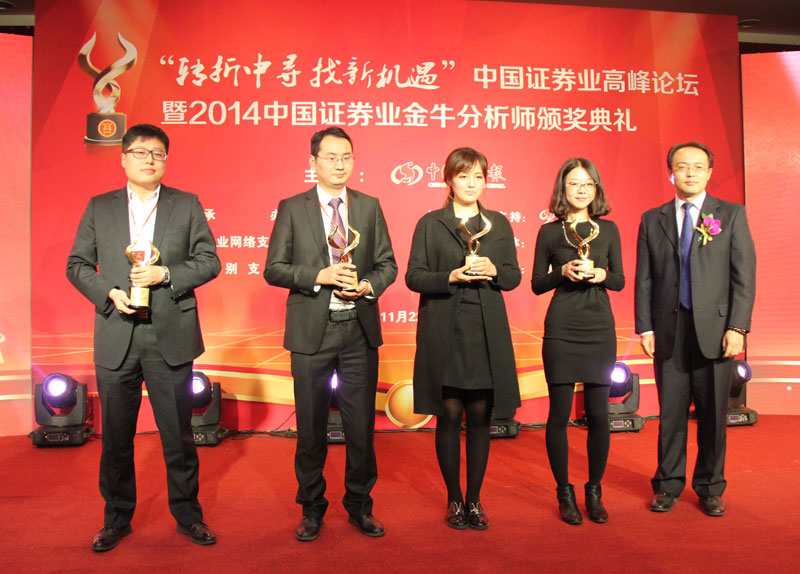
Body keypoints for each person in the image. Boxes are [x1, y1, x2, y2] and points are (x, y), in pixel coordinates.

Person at [66, 124, 220, 552]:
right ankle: (116, 520)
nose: (149, 159)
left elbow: (209, 261)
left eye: (157, 153)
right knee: (116, 438)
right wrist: (110, 293)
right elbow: (77, 264)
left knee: (178, 436)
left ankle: (188, 516)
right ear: (123, 159)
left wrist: (165, 274)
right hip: (118, 333)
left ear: (165, 160)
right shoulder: (100, 207)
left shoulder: (186, 204)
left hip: (170, 333)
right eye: (139, 152)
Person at [264, 127, 397, 542]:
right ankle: (311, 508)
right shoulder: (292, 207)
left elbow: (388, 264)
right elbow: (274, 268)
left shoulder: (369, 206)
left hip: (358, 329)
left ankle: (360, 506)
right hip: (311, 333)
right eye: (331, 157)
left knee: (361, 429)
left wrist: (368, 285)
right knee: (310, 426)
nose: (340, 165)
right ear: (313, 162)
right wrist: (318, 276)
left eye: (346, 157)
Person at [635, 142, 756, 517]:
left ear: (709, 172)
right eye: (682, 166)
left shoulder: (731, 215)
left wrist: (737, 327)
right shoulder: (652, 219)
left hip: (716, 330)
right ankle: (668, 485)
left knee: (713, 415)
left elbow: (744, 278)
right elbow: (645, 279)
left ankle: (710, 487)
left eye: (698, 166)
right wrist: (645, 327)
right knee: (670, 414)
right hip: (668, 329)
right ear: (670, 172)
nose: (690, 172)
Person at [406, 147, 521, 531]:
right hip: (445, 330)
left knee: (480, 417)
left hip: (486, 330)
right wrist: (450, 276)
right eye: (463, 176)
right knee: (450, 416)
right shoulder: (430, 223)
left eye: (478, 177)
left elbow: (513, 276)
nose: (471, 184)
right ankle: (454, 498)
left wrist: (494, 269)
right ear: (449, 180)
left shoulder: (498, 223)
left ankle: (474, 499)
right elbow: (414, 277)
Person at [531, 158, 624, 525]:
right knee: (559, 415)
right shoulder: (549, 232)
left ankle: (594, 491)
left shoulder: (609, 230)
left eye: (588, 183)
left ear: (596, 189)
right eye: (574, 183)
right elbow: (537, 284)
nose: (581, 189)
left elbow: (619, 280)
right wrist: (562, 271)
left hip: (599, 328)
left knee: (599, 415)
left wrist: (601, 274)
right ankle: (564, 492)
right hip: (562, 328)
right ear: (563, 189)